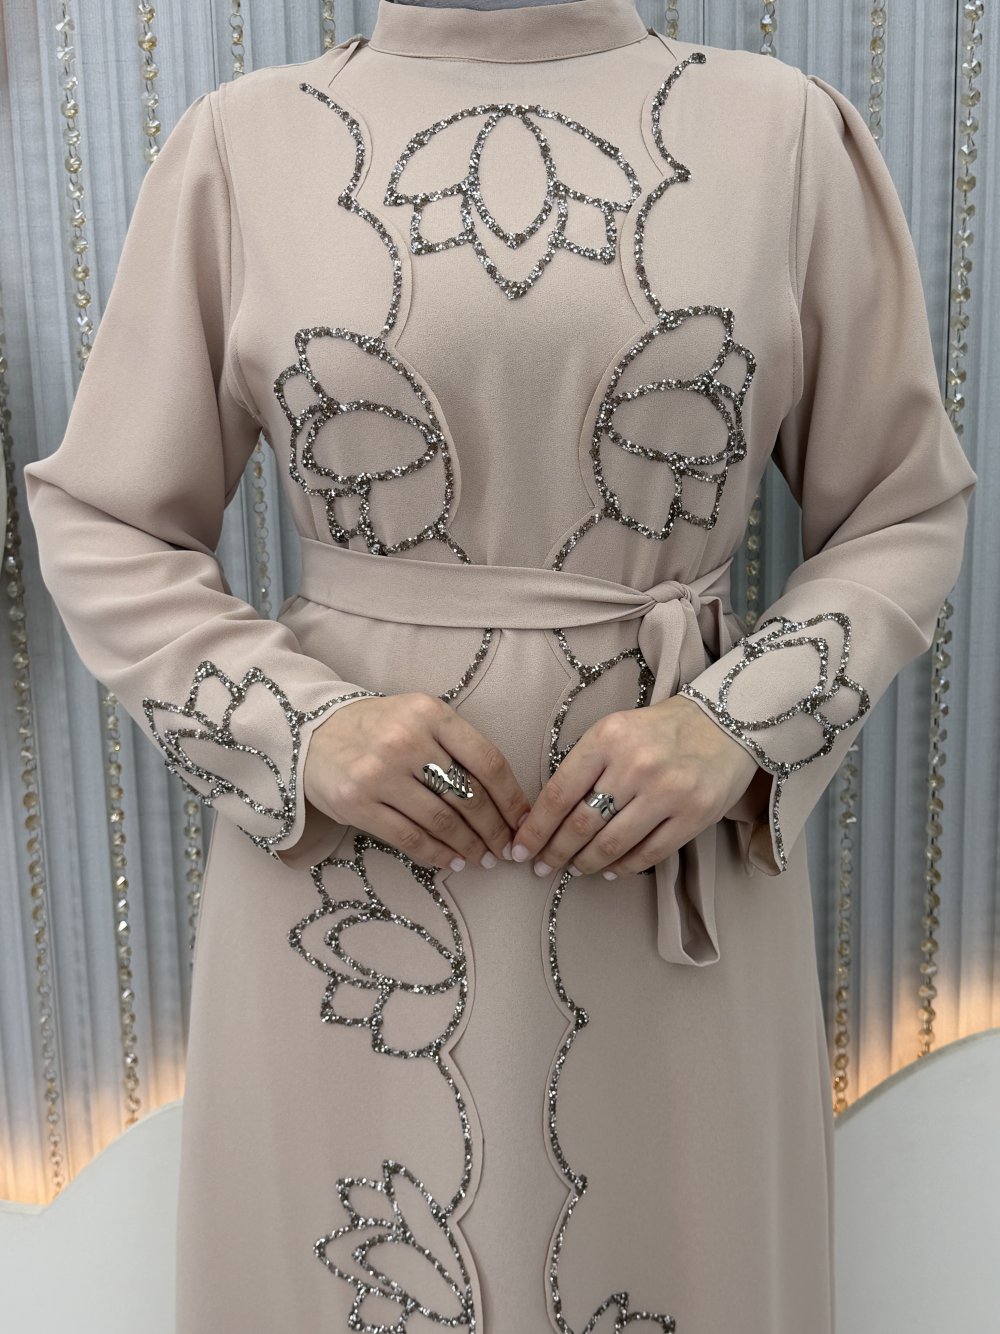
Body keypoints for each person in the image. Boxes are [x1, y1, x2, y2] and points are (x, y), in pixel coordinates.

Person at [23, 0, 977, 1329]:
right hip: (349, 879)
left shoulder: (784, 136)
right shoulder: (243, 146)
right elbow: (107, 516)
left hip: (672, 884)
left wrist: (736, 727)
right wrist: (304, 729)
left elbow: (902, 508)